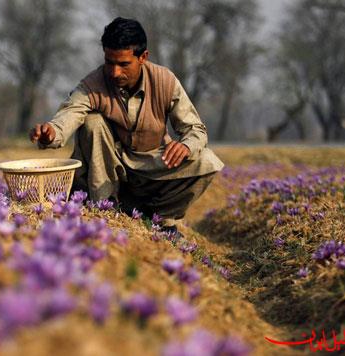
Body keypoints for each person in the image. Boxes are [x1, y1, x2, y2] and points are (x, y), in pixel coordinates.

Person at [30, 17, 224, 235]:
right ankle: (105, 208)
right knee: (92, 122)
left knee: (207, 161)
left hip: (152, 165)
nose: (114, 72)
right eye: (109, 62)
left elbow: (196, 130)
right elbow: (68, 115)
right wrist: (51, 133)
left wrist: (186, 145)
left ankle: (159, 216)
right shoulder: (92, 85)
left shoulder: (165, 81)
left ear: (143, 57)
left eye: (123, 64)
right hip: (110, 169)